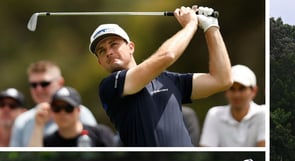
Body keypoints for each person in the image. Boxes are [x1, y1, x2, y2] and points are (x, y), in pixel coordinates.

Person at [90, 6, 232, 146]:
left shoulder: (169, 80)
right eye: (102, 51)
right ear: (100, 62)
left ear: (131, 47)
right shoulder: (110, 85)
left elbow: (222, 80)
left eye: (114, 44)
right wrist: (190, 25)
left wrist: (211, 27)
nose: (109, 52)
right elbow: (167, 56)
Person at [9, 60, 97, 147]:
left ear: (60, 83)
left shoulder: (80, 112)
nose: (38, 89)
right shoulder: (22, 121)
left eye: (44, 84)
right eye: (33, 85)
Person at [199, 64, 265, 147]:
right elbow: (206, 149)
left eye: (242, 89)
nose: (236, 95)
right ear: (225, 91)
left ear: (254, 91)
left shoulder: (263, 113)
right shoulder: (214, 114)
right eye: (232, 89)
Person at [28, 86, 117, 146]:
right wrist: (39, 124)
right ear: (52, 111)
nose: (62, 113)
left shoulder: (101, 134)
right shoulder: (48, 142)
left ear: (78, 111)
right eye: (57, 108)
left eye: (68, 108)